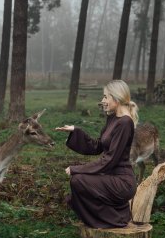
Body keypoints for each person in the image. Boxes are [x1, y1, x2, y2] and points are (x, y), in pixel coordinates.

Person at [55, 80, 138, 229]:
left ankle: (117, 218)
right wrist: (76, 131)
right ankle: (114, 216)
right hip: (110, 177)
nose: (102, 101)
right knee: (77, 181)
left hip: (122, 182)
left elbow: (110, 159)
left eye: (106, 97)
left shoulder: (125, 123)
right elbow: (98, 146)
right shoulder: (113, 118)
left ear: (116, 98)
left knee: (78, 180)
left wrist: (77, 169)